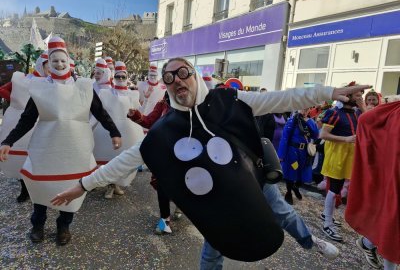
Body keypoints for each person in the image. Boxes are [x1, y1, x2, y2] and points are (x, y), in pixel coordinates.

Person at [51, 57, 370, 265]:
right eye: (169, 77)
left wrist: (330, 90)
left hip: (249, 179)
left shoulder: (227, 101)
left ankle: (309, 241)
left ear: (194, 77)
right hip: (215, 201)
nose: (177, 80)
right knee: (214, 243)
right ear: (167, 88)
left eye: (183, 72)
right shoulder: (165, 131)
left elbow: (281, 98)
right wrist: (82, 185)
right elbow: (125, 160)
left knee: (283, 213)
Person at [0, 37, 121, 246]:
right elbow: (26, 120)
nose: (59, 64)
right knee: (40, 185)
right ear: (48, 63)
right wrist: (8, 141)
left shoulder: (84, 87)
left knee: (71, 187)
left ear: (68, 61)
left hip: (75, 148)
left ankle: (64, 226)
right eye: (54, 61)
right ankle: (37, 225)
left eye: (62, 60)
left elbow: (100, 112)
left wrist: (114, 132)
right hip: (45, 147)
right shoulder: (39, 88)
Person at [345, 97, 399, 270]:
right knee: (393, 227)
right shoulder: (395, 110)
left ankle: (368, 243)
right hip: (394, 182)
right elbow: (365, 120)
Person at [128, 90, 182, 234]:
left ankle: (179, 205)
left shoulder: (194, 102)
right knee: (162, 184)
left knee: (182, 184)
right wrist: (136, 115)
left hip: (185, 153)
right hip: (164, 151)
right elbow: (150, 121)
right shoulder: (163, 102)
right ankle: (165, 220)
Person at [0, 51, 50, 202]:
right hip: (26, 123)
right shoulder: (24, 79)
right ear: (41, 65)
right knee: (24, 157)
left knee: (43, 158)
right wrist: (16, 101)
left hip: (44, 124)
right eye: (48, 67)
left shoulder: (52, 83)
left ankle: (41, 189)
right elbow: (3, 89)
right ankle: (25, 190)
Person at [319, 81, 364, 242]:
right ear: (348, 96)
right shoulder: (334, 112)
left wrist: (362, 105)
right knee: (334, 189)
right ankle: (327, 223)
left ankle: (326, 214)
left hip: (349, 156)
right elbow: (322, 135)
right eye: (358, 95)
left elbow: (368, 122)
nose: (361, 97)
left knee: (337, 188)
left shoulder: (357, 112)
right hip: (336, 156)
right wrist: (345, 139)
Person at [92, 61, 144, 199]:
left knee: (122, 160)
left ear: (126, 77)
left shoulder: (133, 94)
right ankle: (109, 185)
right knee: (108, 159)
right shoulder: (105, 92)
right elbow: (99, 113)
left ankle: (116, 184)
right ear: (114, 76)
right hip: (108, 131)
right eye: (118, 76)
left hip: (127, 131)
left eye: (123, 77)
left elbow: (138, 113)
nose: (120, 79)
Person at [277, 109, 319, 205]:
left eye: (307, 109)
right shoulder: (292, 120)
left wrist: (309, 121)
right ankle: (288, 192)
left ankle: (296, 186)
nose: (305, 111)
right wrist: (281, 155)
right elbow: (285, 137)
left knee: (303, 171)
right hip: (293, 151)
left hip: (304, 152)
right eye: (303, 108)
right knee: (291, 171)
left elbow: (316, 135)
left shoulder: (310, 121)